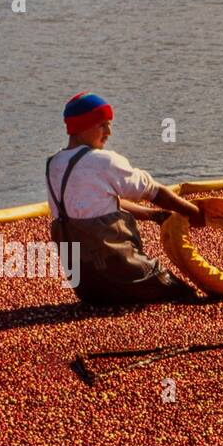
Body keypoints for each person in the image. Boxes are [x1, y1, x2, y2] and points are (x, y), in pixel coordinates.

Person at [44, 91, 206, 305]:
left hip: (88, 289)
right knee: (183, 294)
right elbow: (154, 191)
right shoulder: (103, 161)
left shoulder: (53, 164)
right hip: (123, 276)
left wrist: (151, 215)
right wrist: (194, 213)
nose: (109, 132)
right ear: (82, 127)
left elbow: (99, 203)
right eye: (102, 124)